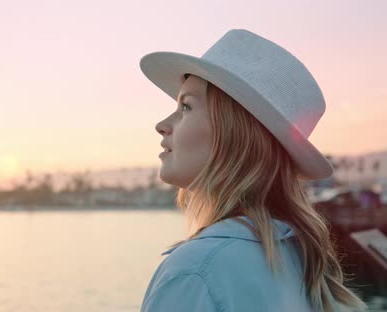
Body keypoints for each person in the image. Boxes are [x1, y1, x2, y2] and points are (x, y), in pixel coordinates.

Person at [138, 29, 367, 312]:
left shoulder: (197, 269)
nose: (162, 124)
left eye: (186, 106)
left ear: (234, 133)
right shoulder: (298, 259)